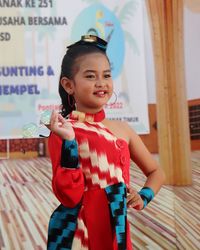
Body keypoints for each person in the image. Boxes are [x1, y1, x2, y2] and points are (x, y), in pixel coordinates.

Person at [46, 35, 165, 250]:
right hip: (79, 233)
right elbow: (69, 197)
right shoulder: (64, 131)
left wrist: (143, 197)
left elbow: (156, 171)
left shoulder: (124, 129)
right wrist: (70, 142)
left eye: (107, 75)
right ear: (68, 85)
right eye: (91, 76)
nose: (101, 83)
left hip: (116, 228)